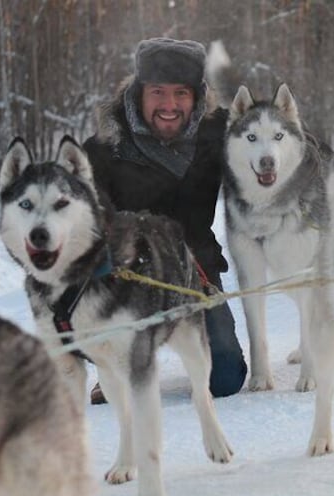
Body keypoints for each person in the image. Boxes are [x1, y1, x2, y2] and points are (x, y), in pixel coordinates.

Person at [83, 37, 247, 400]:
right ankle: (111, 358)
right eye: (158, 92)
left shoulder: (218, 133)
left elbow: (275, 150)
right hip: (127, 276)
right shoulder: (106, 148)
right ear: (139, 92)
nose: (169, 105)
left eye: (181, 93)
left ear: (198, 96)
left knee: (225, 378)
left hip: (196, 274)